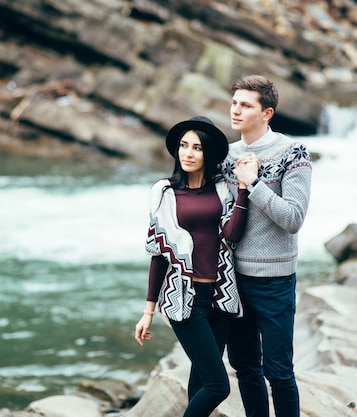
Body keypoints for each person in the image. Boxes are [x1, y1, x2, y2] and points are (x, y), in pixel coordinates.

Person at [134, 116, 258, 417]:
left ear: (209, 153)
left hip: (219, 299)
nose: (187, 153)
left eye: (197, 148)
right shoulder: (164, 192)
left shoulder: (222, 190)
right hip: (183, 302)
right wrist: (148, 311)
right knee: (219, 386)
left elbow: (232, 235)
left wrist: (243, 189)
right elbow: (159, 254)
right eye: (183, 146)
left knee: (200, 384)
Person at [220, 75, 313, 417]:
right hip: (233, 278)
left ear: (267, 113)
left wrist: (254, 184)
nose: (236, 110)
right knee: (244, 366)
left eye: (245, 105)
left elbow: (293, 218)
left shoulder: (293, 152)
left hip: (274, 279)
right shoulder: (225, 156)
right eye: (234, 103)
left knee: (279, 371)